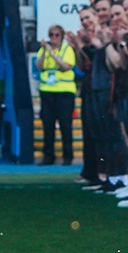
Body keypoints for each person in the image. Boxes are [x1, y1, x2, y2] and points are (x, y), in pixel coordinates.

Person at [37, 25, 75, 165]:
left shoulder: (67, 49)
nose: (54, 37)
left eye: (57, 35)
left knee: (65, 125)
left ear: (62, 36)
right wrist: (44, 52)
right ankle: (48, 155)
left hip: (64, 92)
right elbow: (39, 66)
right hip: (47, 91)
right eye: (51, 35)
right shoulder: (43, 50)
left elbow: (66, 67)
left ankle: (68, 155)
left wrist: (53, 54)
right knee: (47, 124)